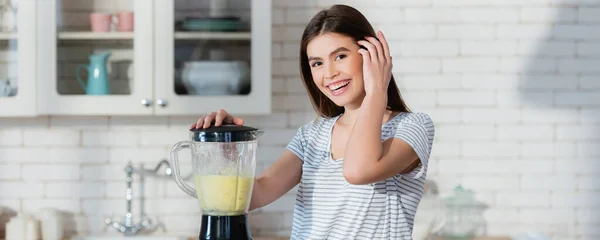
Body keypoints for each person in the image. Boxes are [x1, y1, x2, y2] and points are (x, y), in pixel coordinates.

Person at [190, 4, 435, 240]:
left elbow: (358, 171)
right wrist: (226, 142)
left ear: (371, 55)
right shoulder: (312, 135)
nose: (329, 74)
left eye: (340, 56)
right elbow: (253, 195)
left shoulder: (412, 127)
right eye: (317, 63)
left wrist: (377, 92)